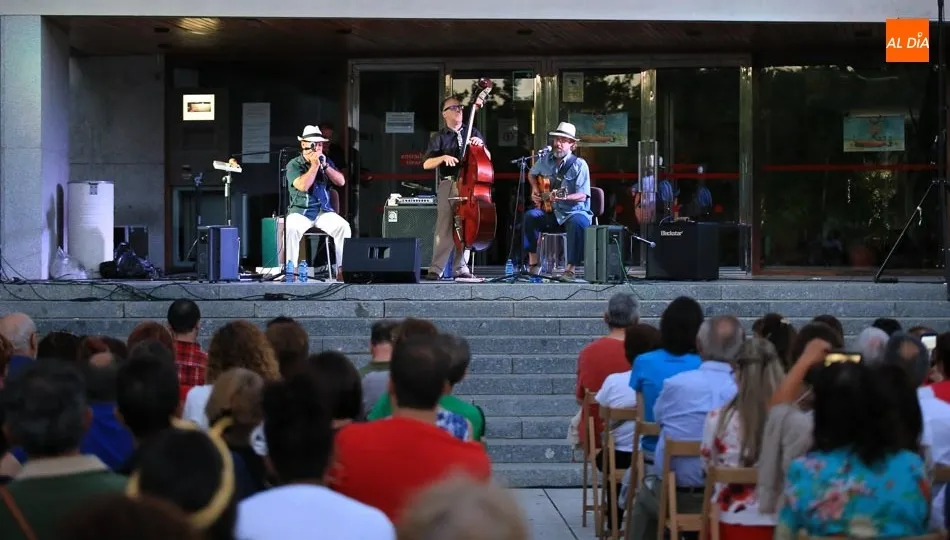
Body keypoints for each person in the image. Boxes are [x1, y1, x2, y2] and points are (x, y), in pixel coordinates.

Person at [422, 96, 491, 281]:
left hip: (469, 185)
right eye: (453, 108)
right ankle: (436, 269)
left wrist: (481, 147)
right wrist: (443, 158)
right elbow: (427, 164)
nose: (459, 110)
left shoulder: (473, 132)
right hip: (449, 183)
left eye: (460, 107)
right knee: (444, 225)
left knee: (467, 225)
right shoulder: (439, 137)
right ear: (444, 114)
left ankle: (461, 267)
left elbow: (487, 159)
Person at [524, 122, 593, 281]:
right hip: (551, 211)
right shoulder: (545, 160)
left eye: (563, 140)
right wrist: (535, 188)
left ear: (572, 145)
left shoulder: (579, 165)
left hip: (573, 212)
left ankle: (570, 269)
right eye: (556, 140)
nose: (558, 144)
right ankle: (533, 264)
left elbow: (583, 195)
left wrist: (563, 197)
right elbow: (532, 174)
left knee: (578, 223)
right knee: (530, 217)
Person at [285, 124, 352, 282]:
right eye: (314, 144)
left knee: (343, 226)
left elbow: (341, 181)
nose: (318, 148)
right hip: (300, 211)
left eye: (320, 144)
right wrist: (314, 166)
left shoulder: (326, 161)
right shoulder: (294, 164)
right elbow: (303, 186)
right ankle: (292, 271)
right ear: (303, 145)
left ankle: (342, 270)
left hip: (323, 212)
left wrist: (325, 166)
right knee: (292, 227)